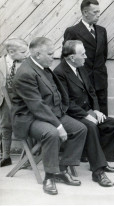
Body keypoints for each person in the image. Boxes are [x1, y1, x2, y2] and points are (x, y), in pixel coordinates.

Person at [11, 37, 87, 195]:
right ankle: (49, 177)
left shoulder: (43, 66)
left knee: (80, 128)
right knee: (51, 133)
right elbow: (36, 106)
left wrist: (62, 113)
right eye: (50, 54)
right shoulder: (26, 73)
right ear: (38, 54)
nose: (54, 57)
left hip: (49, 114)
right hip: (30, 118)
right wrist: (59, 126)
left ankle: (62, 169)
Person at [54, 40, 114, 187]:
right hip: (72, 114)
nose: (86, 56)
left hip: (87, 110)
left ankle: (101, 160)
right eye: (82, 54)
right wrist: (86, 115)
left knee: (113, 125)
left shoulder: (80, 67)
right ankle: (98, 172)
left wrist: (96, 110)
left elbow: (92, 92)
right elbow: (67, 102)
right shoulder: (59, 73)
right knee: (91, 126)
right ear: (72, 57)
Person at [63, 0, 109, 116]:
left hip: (100, 81)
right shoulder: (73, 31)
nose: (98, 15)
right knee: (87, 117)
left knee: (103, 116)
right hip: (83, 81)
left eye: (99, 12)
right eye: (95, 12)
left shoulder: (101, 31)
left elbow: (104, 55)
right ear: (85, 12)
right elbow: (67, 57)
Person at [0, 38, 29, 167]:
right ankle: (6, 156)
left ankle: (27, 157)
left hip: (22, 99)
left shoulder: (26, 63)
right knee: (5, 125)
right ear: (11, 52)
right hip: (4, 98)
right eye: (23, 52)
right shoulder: (0, 63)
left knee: (26, 125)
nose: (26, 54)